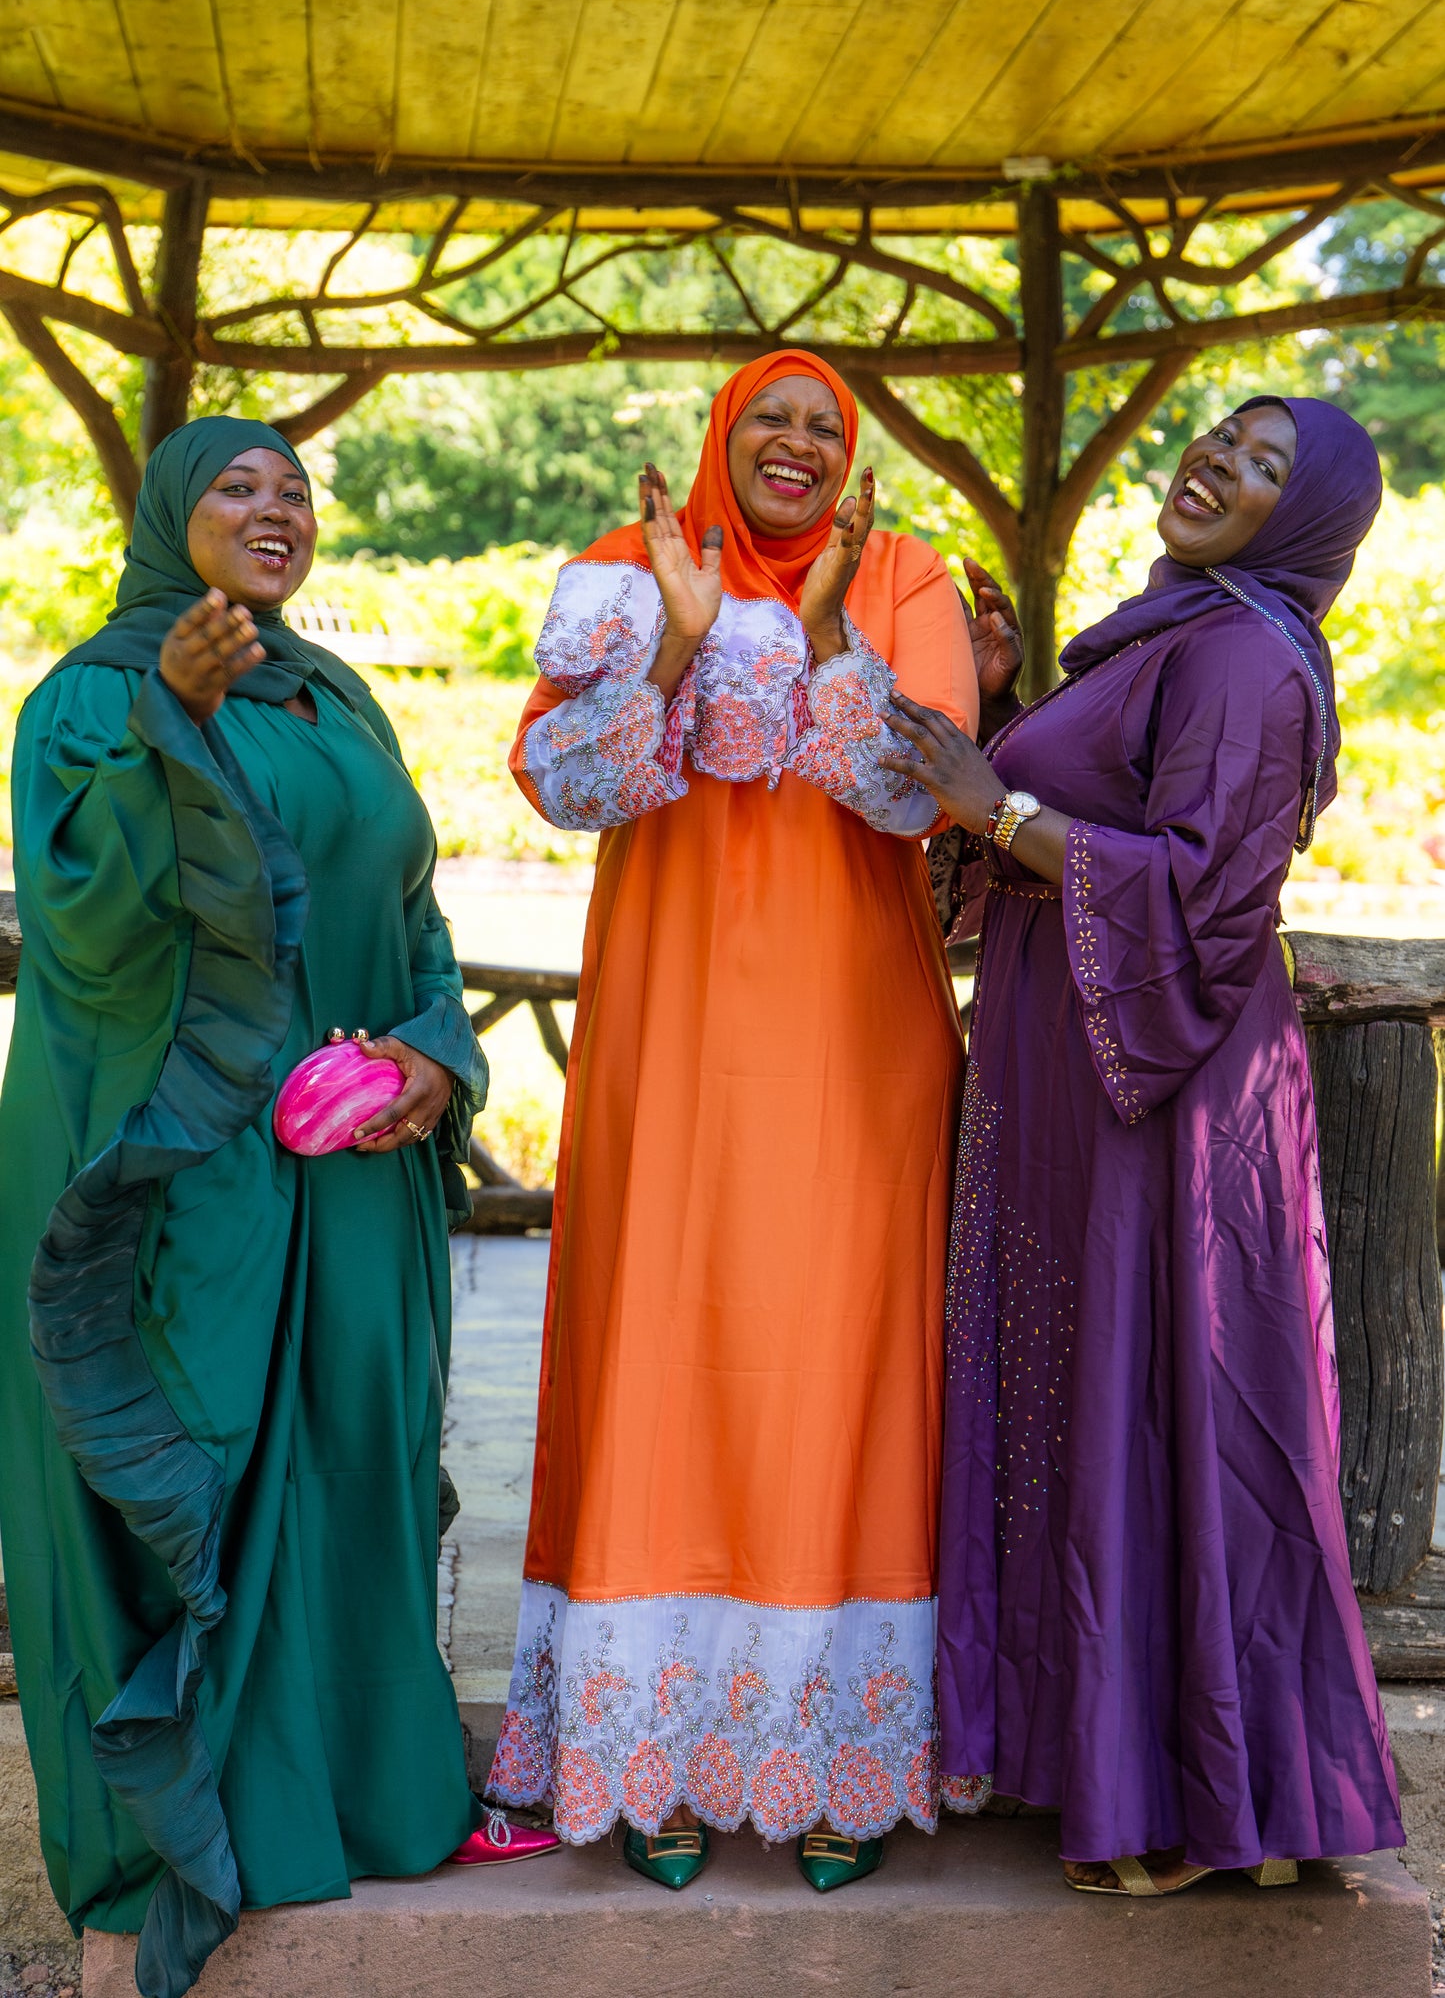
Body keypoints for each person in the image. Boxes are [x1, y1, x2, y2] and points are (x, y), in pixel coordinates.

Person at [0, 419, 554, 1998]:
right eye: (236, 486)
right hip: (184, 1175)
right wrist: (174, 714)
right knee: (211, 1470)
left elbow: (413, 912)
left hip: (357, 1168)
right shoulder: (89, 699)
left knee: (355, 1449)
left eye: (295, 490)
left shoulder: (336, 694)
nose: (275, 509)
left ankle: (369, 1794)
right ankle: (197, 1827)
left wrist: (436, 1058)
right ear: (169, 518)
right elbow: (93, 922)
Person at [881, 395, 1404, 1895]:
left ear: (1298, 524)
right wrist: (999, 718)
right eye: (1218, 440)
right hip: (1081, 1055)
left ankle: (1190, 1800)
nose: (1212, 468)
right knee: (1079, 1392)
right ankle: (1100, 1759)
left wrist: (998, 800)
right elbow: (1072, 808)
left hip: (1153, 1083)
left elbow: (1204, 895)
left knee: (1150, 1393)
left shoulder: (1243, 655)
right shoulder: (1172, 627)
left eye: (1257, 468)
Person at [485, 349, 978, 1891]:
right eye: (767, 414)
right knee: (660, 1350)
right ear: (719, 431)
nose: (794, 441)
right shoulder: (630, 572)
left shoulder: (906, 575)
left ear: (854, 461)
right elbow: (559, 784)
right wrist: (677, 649)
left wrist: (824, 627)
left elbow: (920, 788)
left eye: (824, 426)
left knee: (842, 1361)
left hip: (853, 1044)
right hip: (670, 1033)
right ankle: (663, 1762)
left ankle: (839, 1755)